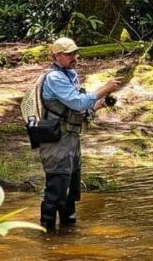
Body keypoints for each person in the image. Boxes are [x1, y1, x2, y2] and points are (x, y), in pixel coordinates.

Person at [37, 37, 121, 233]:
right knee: (56, 190)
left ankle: (68, 232)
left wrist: (100, 104)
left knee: (70, 192)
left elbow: (79, 107)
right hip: (57, 139)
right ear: (57, 56)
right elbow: (77, 103)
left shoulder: (70, 74)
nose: (75, 57)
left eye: (75, 53)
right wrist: (104, 89)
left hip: (71, 138)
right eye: (69, 54)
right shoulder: (54, 78)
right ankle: (46, 234)